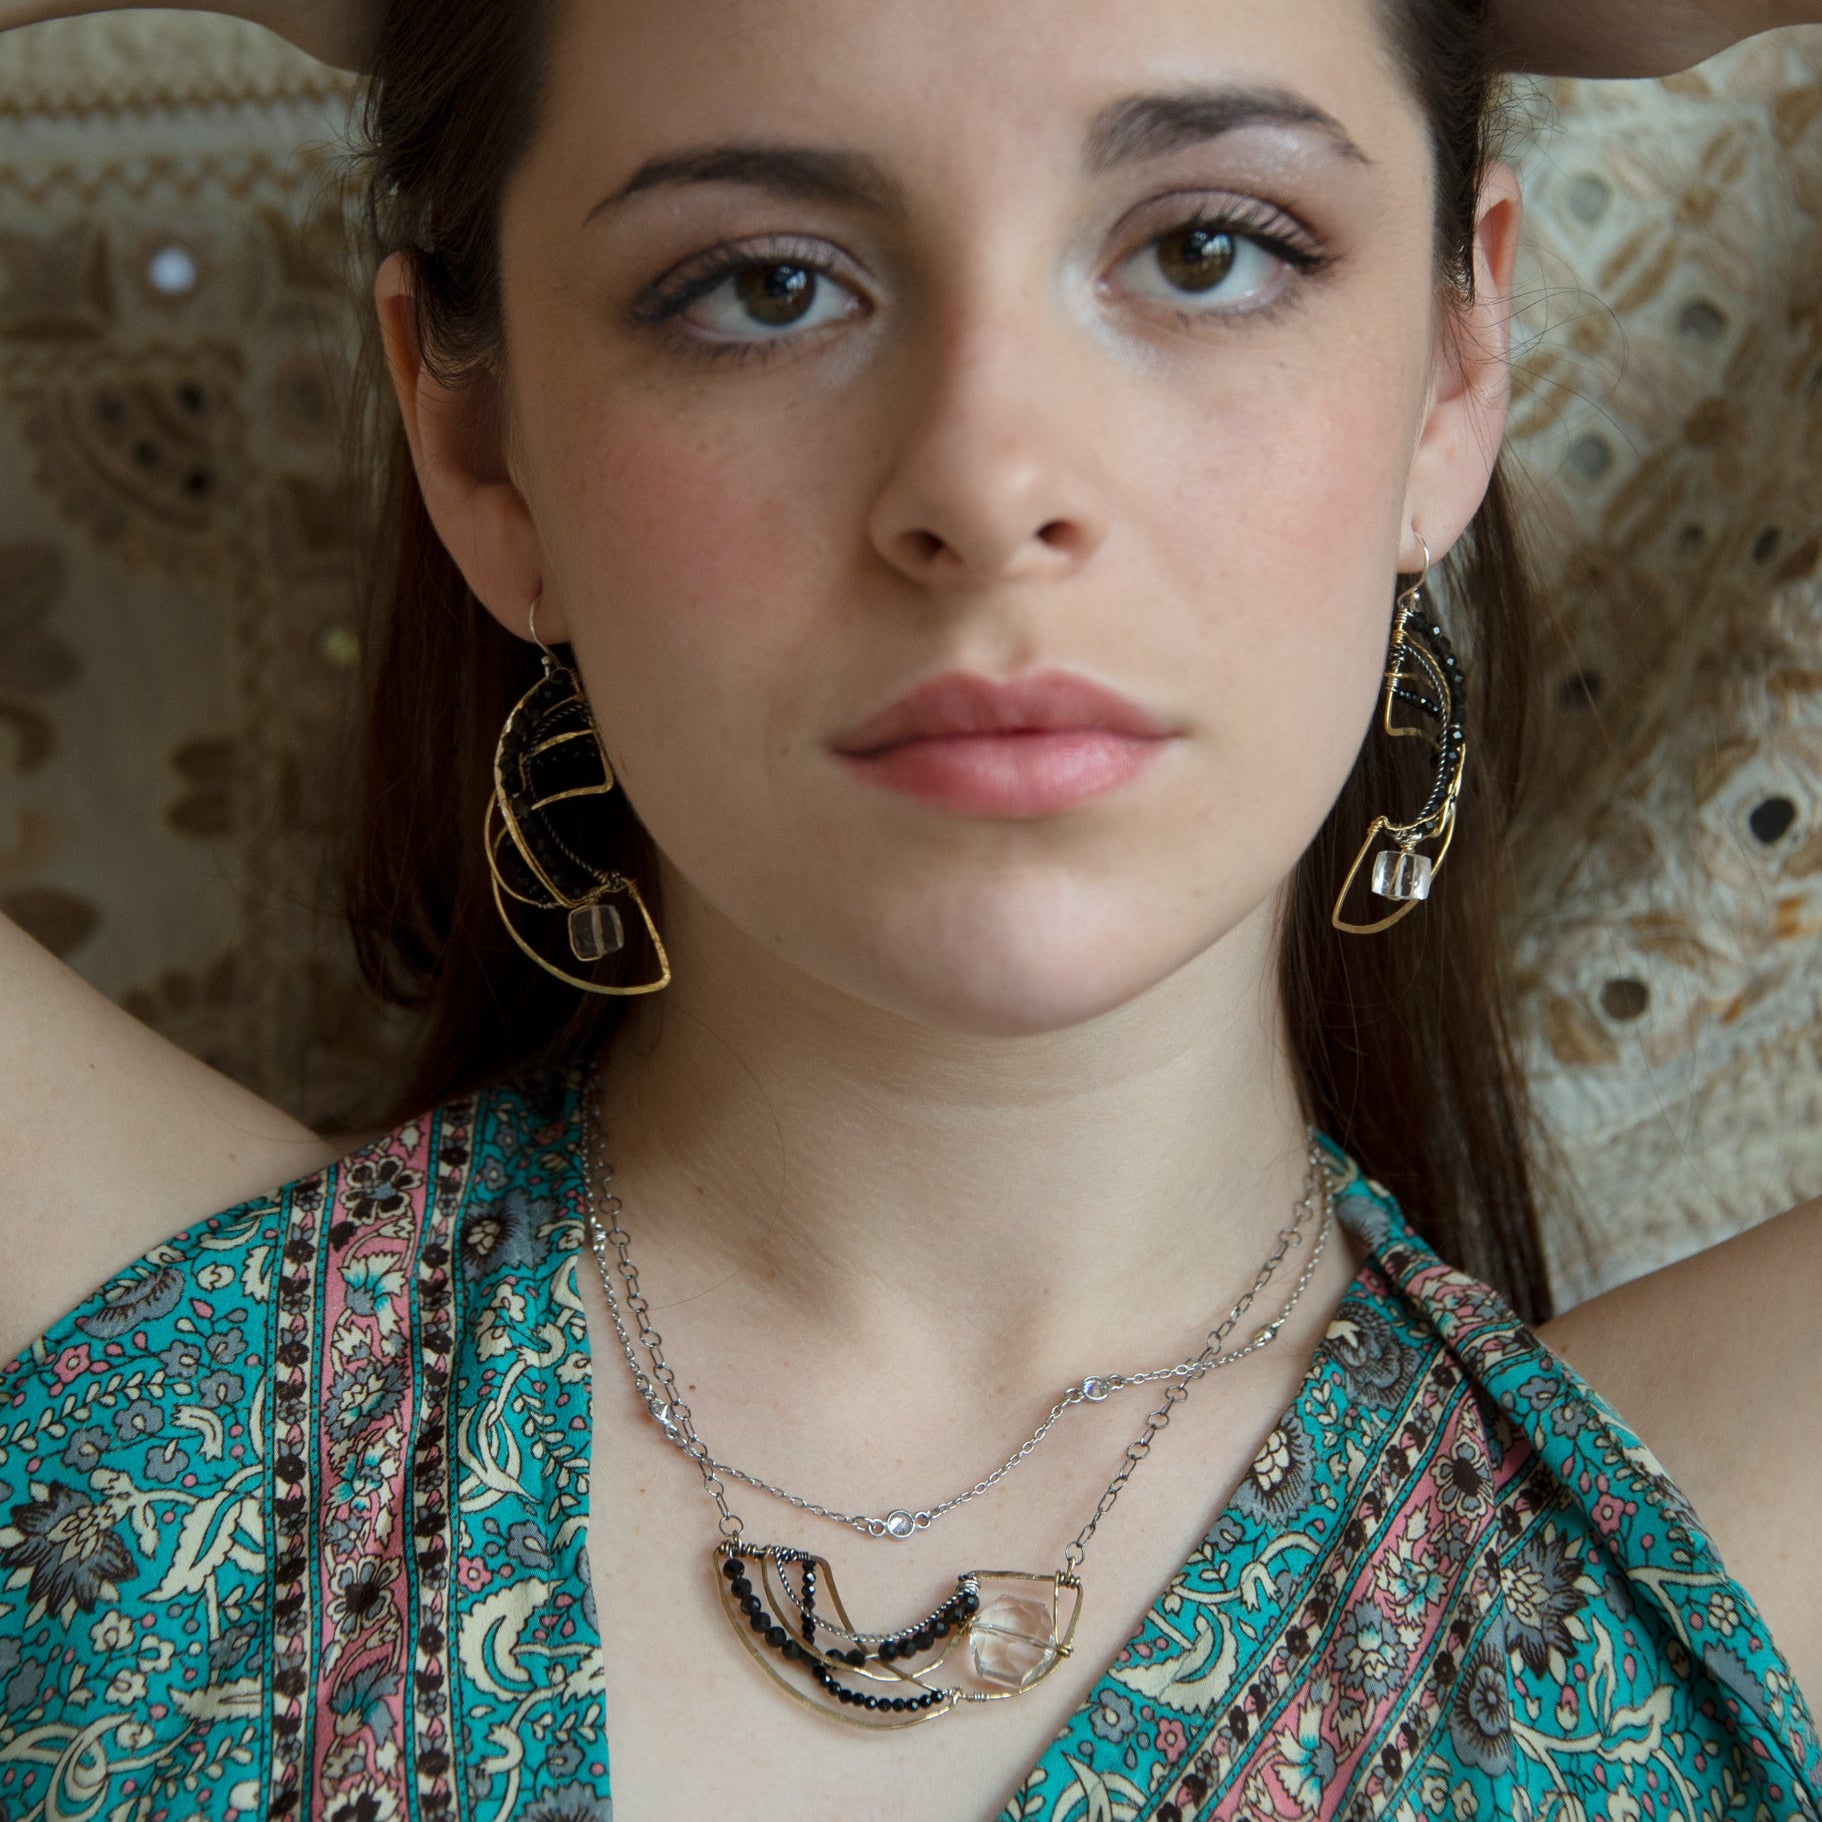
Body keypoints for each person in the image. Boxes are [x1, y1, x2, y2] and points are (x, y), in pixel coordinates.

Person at [0, 0, 1818, 1816]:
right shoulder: (140, 1402)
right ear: (478, 446)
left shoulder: (1713, 1566)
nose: (987, 483)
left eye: (1206, 250)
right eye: (764, 287)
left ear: (1454, 367)